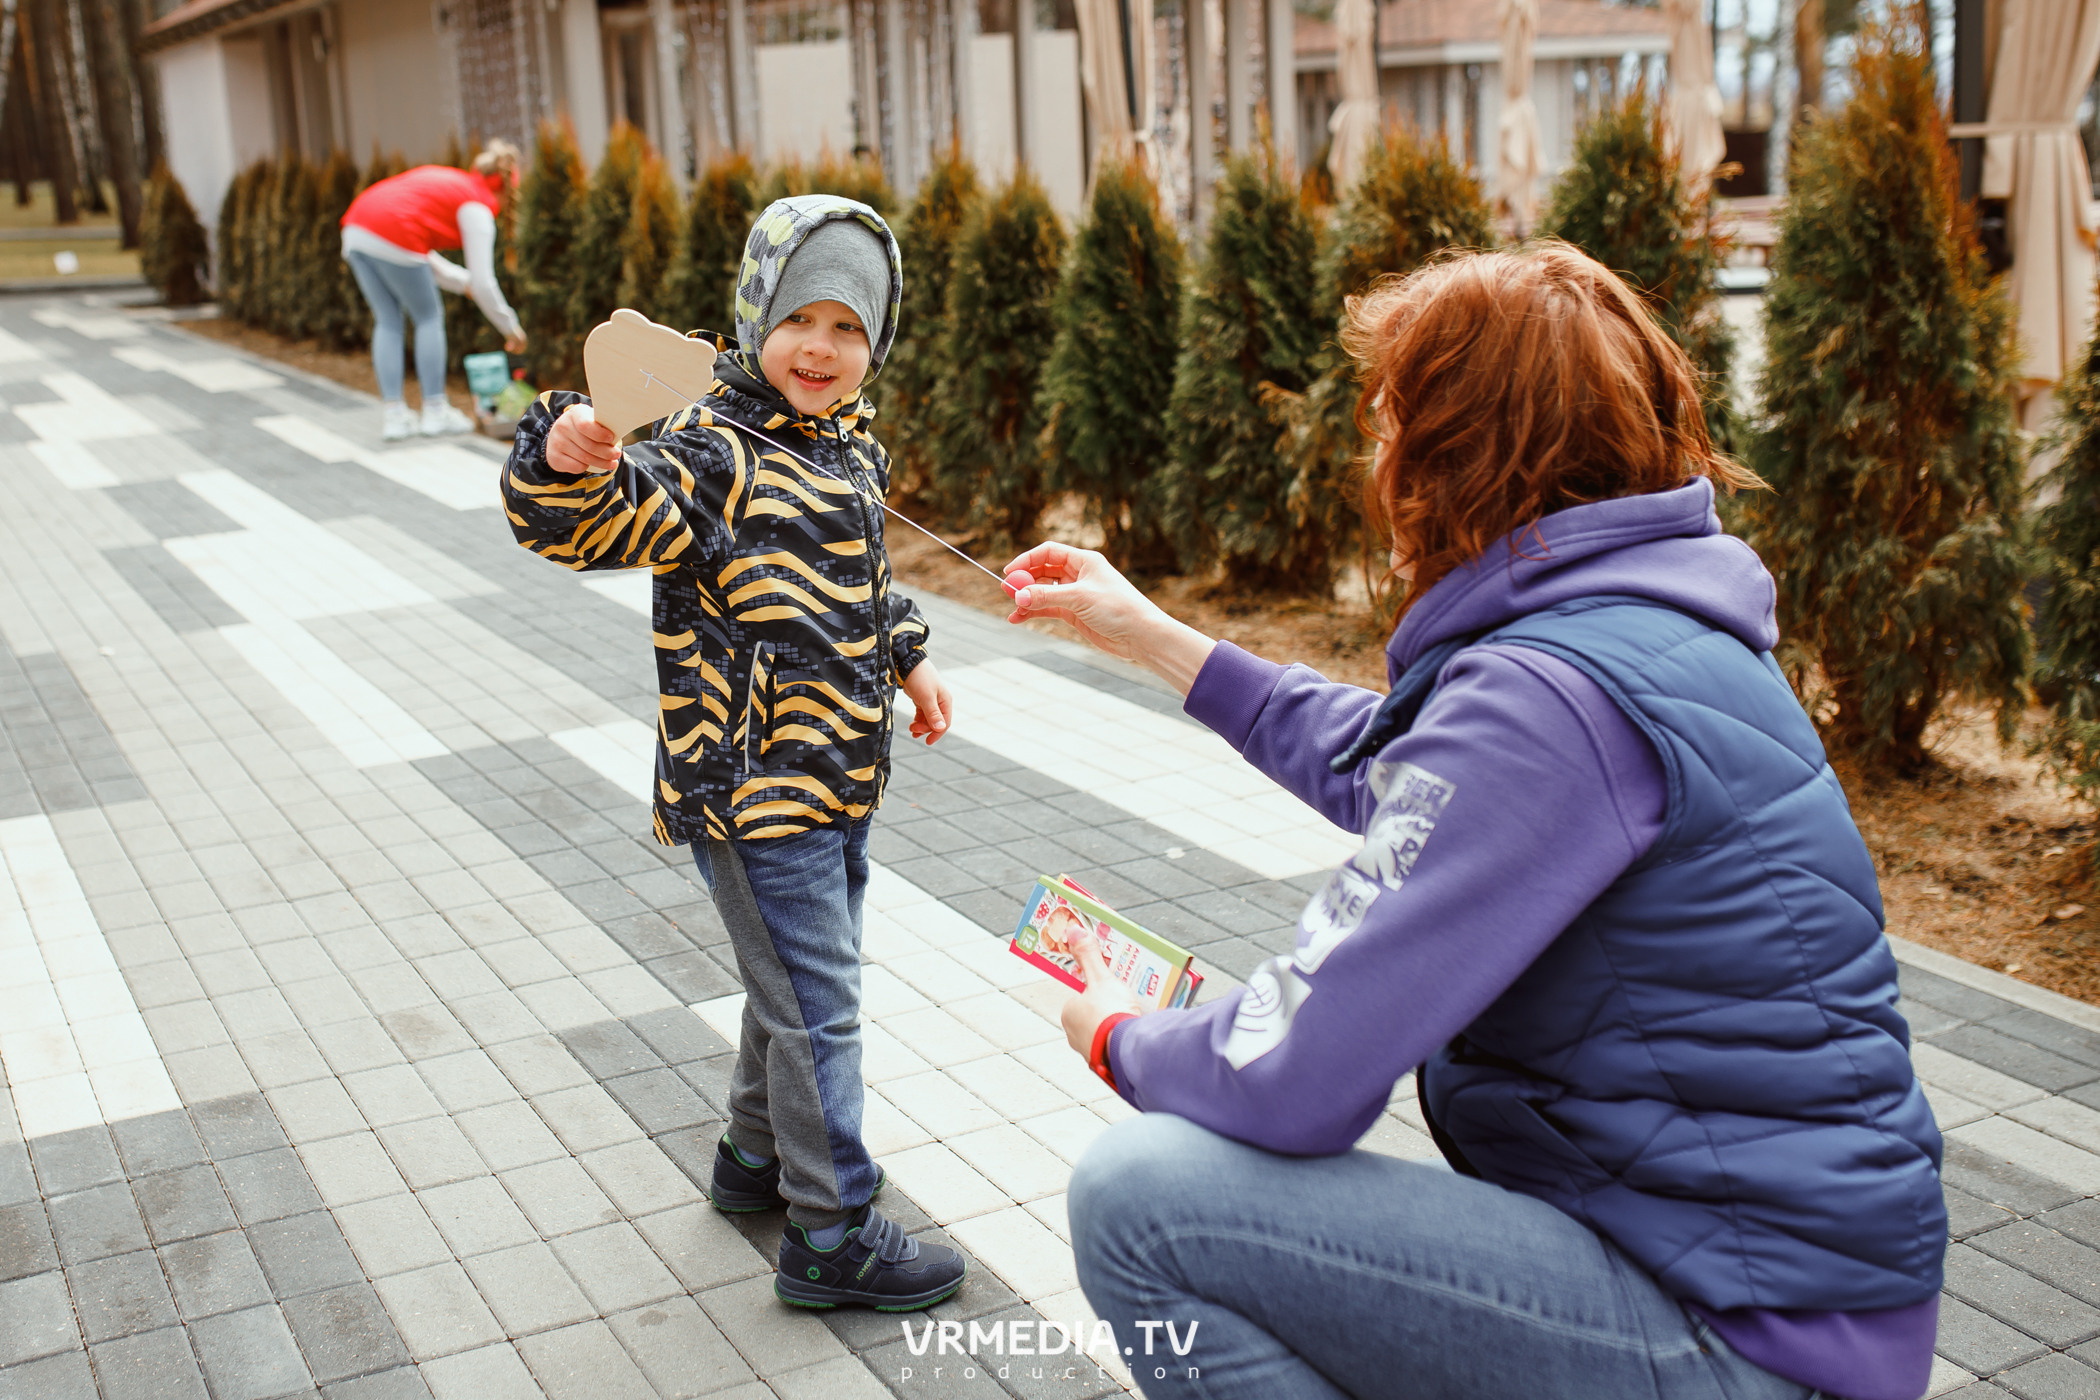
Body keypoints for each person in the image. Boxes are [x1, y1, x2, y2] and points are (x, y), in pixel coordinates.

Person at [1008, 244, 1944, 1400]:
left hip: (1749, 1332)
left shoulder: (1554, 692)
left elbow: (1291, 1075)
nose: (1377, 461)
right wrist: (1151, 634)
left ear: (1465, 455)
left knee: (1144, 1197)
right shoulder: (1645, 625)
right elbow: (1417, 777)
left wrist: (1118, 1031)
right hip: (1768, 1278)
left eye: (1392, 425)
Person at [499, 194, 967, 1312]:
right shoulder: (713, 454)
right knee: (820, 1004)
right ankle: (831, 1229)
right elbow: (589, 520)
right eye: (799, 317)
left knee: (793, 986)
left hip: (840, 775)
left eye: (848, 326)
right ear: (756, 315)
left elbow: (861, 580)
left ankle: (755, 1159)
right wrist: (565, 453)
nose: (821, 347)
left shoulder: (847, 446)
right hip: (754, 791)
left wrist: (907, 655)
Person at [340, 141, 527, 441]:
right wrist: (511, 328)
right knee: (428, 317)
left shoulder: (455, 184)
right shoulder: (477, 205)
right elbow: (483, 282)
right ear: (506, 190)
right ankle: (435, 411)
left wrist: (462, 283)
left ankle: (394, 416)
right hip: (393, 231)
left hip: (356, 228)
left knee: (387, 320)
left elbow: (420, 257)